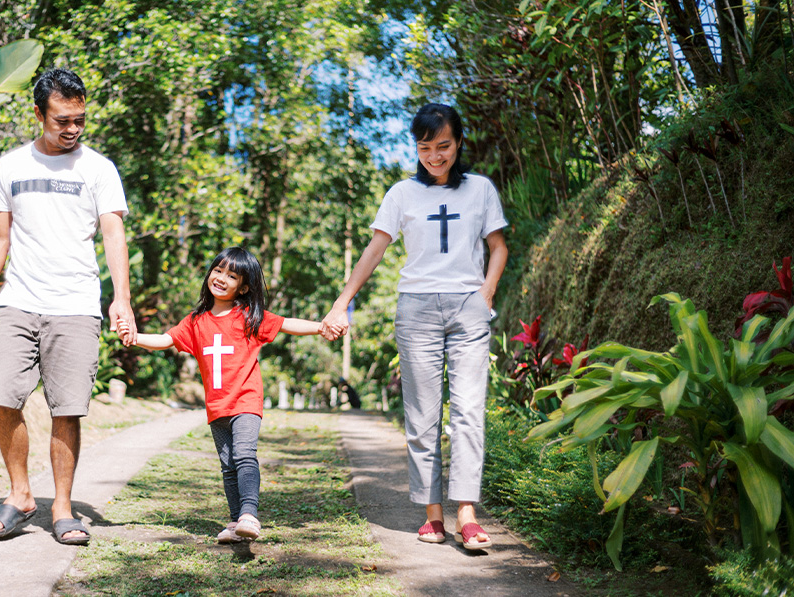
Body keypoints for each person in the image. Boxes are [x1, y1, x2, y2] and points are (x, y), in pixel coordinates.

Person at [322, 103, 508, 550]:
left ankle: (466, 514)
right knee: (423, 418)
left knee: (468, 412)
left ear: (459, 143)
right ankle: (432, 515)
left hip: (468, 310)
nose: (435, 156)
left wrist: (485, 294)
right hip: (417, 311)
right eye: (425, 148)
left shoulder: (480, 189)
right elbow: (375, 250)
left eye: (443, 146)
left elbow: (497, 247)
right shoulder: (402, 194)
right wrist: (341, 303)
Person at [0, 67, 137, 546]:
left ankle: (62, 507)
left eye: (80, 119)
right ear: (38, 113)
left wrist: (120, 299)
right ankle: (21, 495)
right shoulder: (12, 166)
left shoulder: (97, 168)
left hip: (76, 304)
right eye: (62, 119)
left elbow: (112, 234)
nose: (73, 128)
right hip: (18, 300)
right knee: (1, 393)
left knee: (67, 408)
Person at [117, 247, 324, 544]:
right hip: (216, 406)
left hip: (246, 401)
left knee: (243, 455)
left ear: (244, 286)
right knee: (228, 465)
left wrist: (321, 327)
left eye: (232, 275)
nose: (221, 278)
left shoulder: (248, 316)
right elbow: (166, 339)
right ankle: (236, 521)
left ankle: (249, 514)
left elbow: (286, 324)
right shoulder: (196, 321)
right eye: (218, 270)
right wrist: (135, 338)